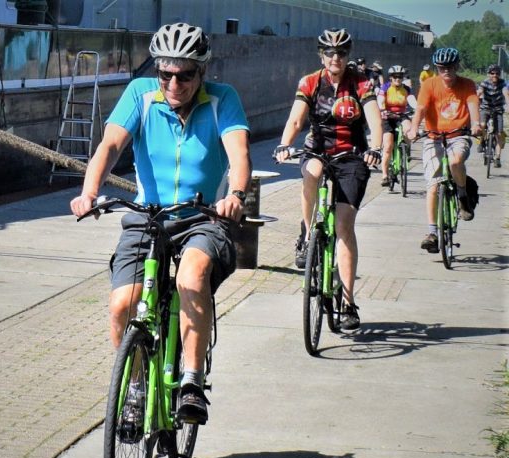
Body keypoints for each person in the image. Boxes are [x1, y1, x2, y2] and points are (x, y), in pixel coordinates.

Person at [70, 23, 251, 425]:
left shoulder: (223, 100)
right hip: (148, 216)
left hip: (203, 217)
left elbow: (239, 155)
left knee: (191, 278)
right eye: (165, 73)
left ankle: (192, 382)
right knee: (122, 305)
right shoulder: (141, 96)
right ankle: (134, 387)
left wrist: (235, 197)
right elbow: (111, 145)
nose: (173, 83)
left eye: (184, 75)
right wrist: (88, 192)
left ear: (202, 72)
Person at [275, 28, 382, 330]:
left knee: (345, 225)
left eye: (342, 53)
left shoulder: (361, 82)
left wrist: (374, 147)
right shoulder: (310, 82)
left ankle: (348, 303)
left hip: (352, 156)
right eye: (330, 53)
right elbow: (296, 119)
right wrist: (285, 144)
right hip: (318, 151)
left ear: (348, 55)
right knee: (312, 171)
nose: (336, 58)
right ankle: (308, 234)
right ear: (321, 55)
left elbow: (375, 119)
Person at [407, 47, 481, 253]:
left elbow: (473, 104)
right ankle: (432, 232)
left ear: (457, 66)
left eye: (449, 67)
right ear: (436, 68)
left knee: (456, 161)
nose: (446, 71)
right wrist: (414, 128)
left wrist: (476, 123)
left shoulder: (467, 84)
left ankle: (462, 194)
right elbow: (421, 108)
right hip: (434, 137)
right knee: (433, 184)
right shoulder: (429, 84)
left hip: (459, 135)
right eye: (441, 68)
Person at [378, 65, 417, 186]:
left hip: (401, 115)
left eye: (400, 76)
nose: (398, 79)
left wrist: (417, 108)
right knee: (388, 146)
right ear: (391, 78)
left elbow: (411, 100)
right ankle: (384, 176)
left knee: (409, 130)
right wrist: (382, 109)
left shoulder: (406, 88)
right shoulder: (385, 87)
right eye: (395, 77)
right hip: (388, 116)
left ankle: (407, 150)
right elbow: (380, 99)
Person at [477, 64, 509, 167]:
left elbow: (506, 93)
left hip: (498, 110)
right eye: (492, 73)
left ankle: (497, 158)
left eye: (497, 73)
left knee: (499, 134)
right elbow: (480, 91)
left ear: (499, 74)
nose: (495, 75)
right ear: (489, 74)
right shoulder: (485, 83)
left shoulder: (503, 83)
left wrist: (508, 104)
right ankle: (482, 142)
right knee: (482, 125)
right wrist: (476, 97)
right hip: (485, 109)